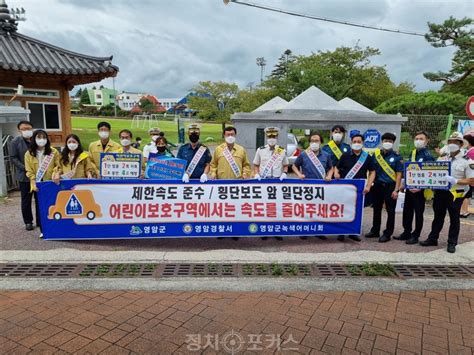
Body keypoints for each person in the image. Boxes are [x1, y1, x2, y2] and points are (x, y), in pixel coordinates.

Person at [420, 132, 474, 253]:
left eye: (455, 142)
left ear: (461, 144)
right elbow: (433, 172)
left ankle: (452, 243)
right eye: (450, 142)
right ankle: (433, 238)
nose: (452, 144)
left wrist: (456, 180)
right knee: (438, 215)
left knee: (454, 217)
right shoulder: (443, 157)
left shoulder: (467, 161)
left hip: (456, 193)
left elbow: (472, 180)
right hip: (441, 191)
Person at [394, 131, 435, 244]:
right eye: (416, 138)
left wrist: (421, 188)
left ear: (427, 141)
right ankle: (406, 232)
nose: (418, 141)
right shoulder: (413, 153)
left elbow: (431, 174)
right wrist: (404, 183)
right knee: (407, 211)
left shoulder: (428, 156)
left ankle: (415, 235)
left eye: (421, 139)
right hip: (409, 188)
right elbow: (408, 170)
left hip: (420, 191)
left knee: (418, 213)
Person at [210, 126, 250, 241]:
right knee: (222, 209)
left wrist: (245, 174)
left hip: (236, 186)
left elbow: (246, 165)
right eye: (228, 134)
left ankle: (235, 231)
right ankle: (221, 230)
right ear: (224, 136)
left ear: (235, 135)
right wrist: (213, 173)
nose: (230, 136)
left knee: (235, 209)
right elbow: (213, 165)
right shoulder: (218, 149)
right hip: (221, 185)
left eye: (232, 134)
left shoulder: (241, 150)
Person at [334, 133, 376, 242]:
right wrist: (336, 174)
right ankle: (341, 232)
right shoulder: (345, 155)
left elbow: (372, 172)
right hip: (345, 188)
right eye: (354, 142)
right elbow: (336, 167)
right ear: (351, 143)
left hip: (359, 189)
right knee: (343, 210)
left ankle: (353, 232)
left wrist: (368, 185)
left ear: (363, 143)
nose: (356, 144)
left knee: (356, 211)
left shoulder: (367, 157)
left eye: (359, 142)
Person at [292, 131, 333, 241]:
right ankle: (304, 230)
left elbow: (331, 168)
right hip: (307, 188)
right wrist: (299, 174)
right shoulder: (304, 154)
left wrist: (329, 175)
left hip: (321, 188)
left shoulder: (326, 155)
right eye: (312, 141)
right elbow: (294, 166)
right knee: (306, 209)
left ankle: (318, 230)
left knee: (319, 209)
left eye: (316, 141)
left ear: (321, 142)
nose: (314, 143)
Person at [365, 133, 403, 243]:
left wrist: (396, 190)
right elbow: (372, 170)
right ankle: (375, 230)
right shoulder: (376, 155)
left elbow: (399, 174)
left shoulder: (397, 157)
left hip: (390, 186)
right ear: (382, 142)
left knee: (390, 211)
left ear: (393, 143)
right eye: (386, 140)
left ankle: (387, 233)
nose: (388, 143)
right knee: (376, 209)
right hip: (377, 185)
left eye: (390, 141)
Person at [253, 127, 289, 241]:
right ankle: (265, 230)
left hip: (278, 182)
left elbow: (286, 165)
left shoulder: (282, 150)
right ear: (266, 137)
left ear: (277, 137)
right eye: (269, 136)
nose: (271, 139)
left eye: (273, 136)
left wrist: (285, 173)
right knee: (265, 207)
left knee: (277, 207)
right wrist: (256, 174)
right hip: (264, 182)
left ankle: (276, 230)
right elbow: (256, 165)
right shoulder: (260, 150)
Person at [24, 130, 61, 234]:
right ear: (34, 139)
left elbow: (58, 165)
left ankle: (54, 227)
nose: (41, 140)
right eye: (39, 137)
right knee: (40, 205)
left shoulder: (53, 152)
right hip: (38, 183)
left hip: (50, 182)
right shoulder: (29, 153)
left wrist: (56, 172)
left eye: (44, 137)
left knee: (53, 204)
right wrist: (33, 180)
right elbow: (28, 170)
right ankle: (43, 228)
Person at [9, 120, 37, 230]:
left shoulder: (37, 140)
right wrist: (26, 169)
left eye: (28, 128)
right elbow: (13, 158)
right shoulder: (15, 142)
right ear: (19, 130)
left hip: (39, 175)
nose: (26, 131)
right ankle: (28, 222)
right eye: (24, 129)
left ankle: (41, 221)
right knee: (26, 200)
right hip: (24, 176)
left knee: (40, 199)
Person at [460, 131, 474, 218]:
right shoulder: (470, 151)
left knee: (466, 194)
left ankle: (463, 211)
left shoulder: (470, 152)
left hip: (469, 177)